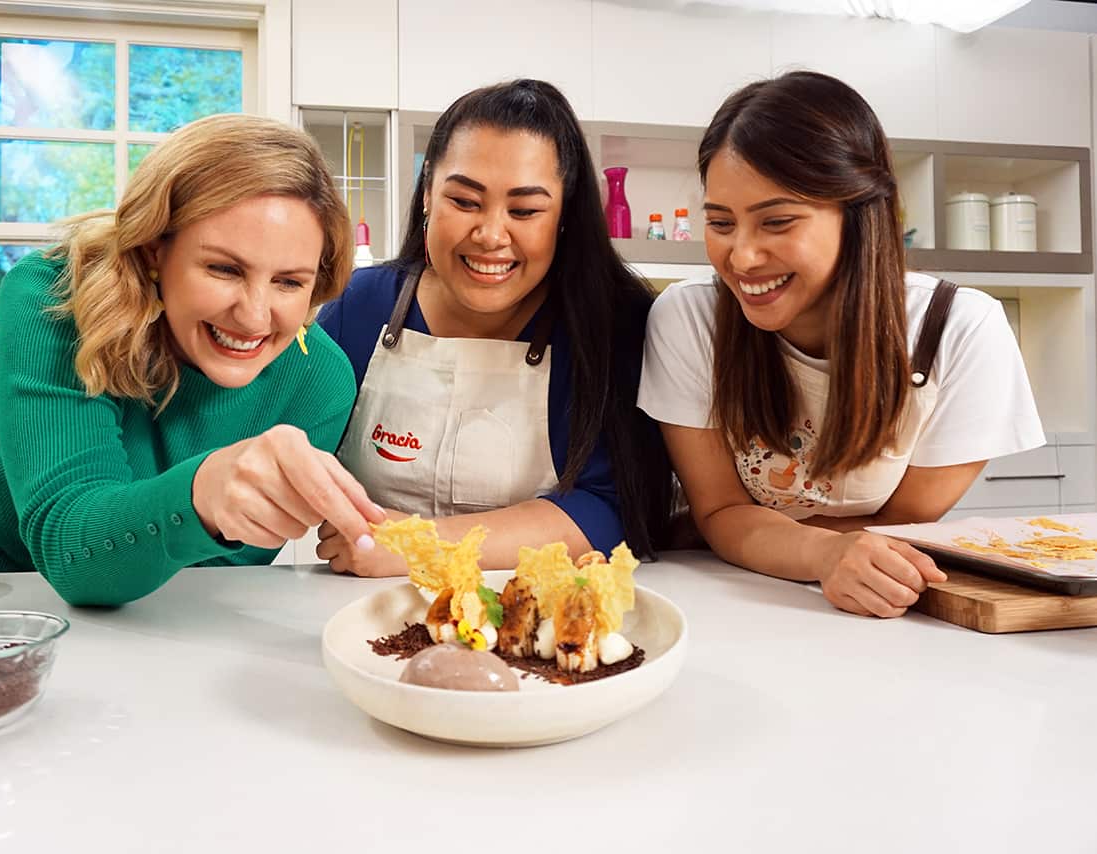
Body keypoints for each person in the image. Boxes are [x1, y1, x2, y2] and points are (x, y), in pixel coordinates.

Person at [638, 71, 1045, 618]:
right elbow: (721, 512)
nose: (742, 257)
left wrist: (789, 541)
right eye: (721, 222)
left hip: (862, 606)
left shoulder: (960, 330)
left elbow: (902, 528)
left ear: (858, 214)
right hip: (726, 596)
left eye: (776, 221)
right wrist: (824, 550)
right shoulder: (690, 320)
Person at [0, 114, 384, 605]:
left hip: (157, 601)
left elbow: (209, 574)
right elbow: (69, 542)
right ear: (154, 250)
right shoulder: (54, 300)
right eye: (224, 268)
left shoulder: (320, 381)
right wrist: (202, 493)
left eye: (289, 282)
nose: (255, 317)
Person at [316, 79, 676, 576]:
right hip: (366, 612)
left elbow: (613, 507)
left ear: (565, 216)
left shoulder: (610, 327)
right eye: (464, 201)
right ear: (426, 197)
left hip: (540, 619)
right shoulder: (357, 306)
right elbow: (296, 459)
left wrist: (417, 546)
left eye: (525, 210)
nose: (489, 235)